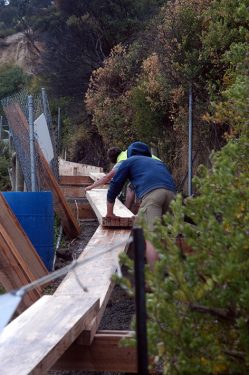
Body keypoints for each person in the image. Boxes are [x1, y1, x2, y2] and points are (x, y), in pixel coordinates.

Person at [106, 141, 176, 269]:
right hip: (172, 195)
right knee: (166, 235)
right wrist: (140, 215)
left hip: (153, 196)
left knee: (151, 237)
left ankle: (156, 282)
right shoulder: (158, 163)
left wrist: (109, 213)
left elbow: (115, 185)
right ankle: (171, 277)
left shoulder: (129, 161)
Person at [85, 146, 160, 211]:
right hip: (160, 168)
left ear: (112, 159)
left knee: (132, 188)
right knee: (131, 186)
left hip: (153, 172)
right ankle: (130, 210)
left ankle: (126, 212)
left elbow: (107, 178)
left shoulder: (121, 161)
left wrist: (91, 186)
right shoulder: (126, 153)